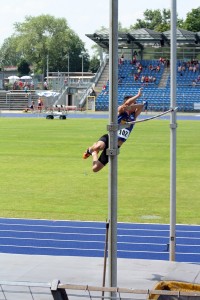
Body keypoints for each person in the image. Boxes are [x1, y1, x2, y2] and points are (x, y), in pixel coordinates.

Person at [83, 88, 144, 172]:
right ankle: (91, 149)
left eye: (135, 104)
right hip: (109, 138)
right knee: (98, 146)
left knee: (95, 169)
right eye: (133, 104)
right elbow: (127, 103)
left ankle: (93, 153)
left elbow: (141, 106)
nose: (134, 106)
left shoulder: (134, 116)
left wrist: (133, 106)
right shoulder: (121, 110)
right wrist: (137, 96)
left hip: (116, 145)